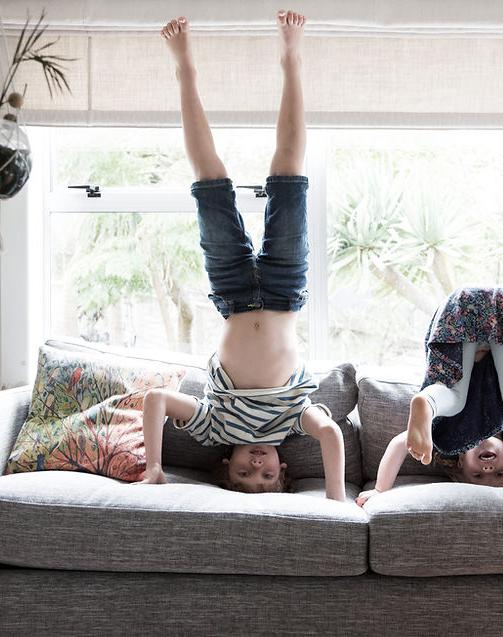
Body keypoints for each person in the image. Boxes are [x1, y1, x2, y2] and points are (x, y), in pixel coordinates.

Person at [138, 11, 346, 502]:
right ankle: (292, 60)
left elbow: (154, 400)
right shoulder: (296, 420)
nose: (257, 468)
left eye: (244, 475)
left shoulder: (214, 427)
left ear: (225, 463)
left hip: (232, 292)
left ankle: (185, 69)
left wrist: (154, 467)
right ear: (282, 466)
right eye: (268, 477)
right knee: (289, 174)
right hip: (283, 290)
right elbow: (333, 434)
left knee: (209, 181)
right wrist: (337, 500)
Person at [356, 286, 503, 505]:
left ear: (460, 460)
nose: (488, 470)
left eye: (476, 476)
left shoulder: (450, 434)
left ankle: (428, 402)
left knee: (462, 398)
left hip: (461, 311)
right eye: (500, 474)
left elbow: (399, 444)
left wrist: (380, 489)